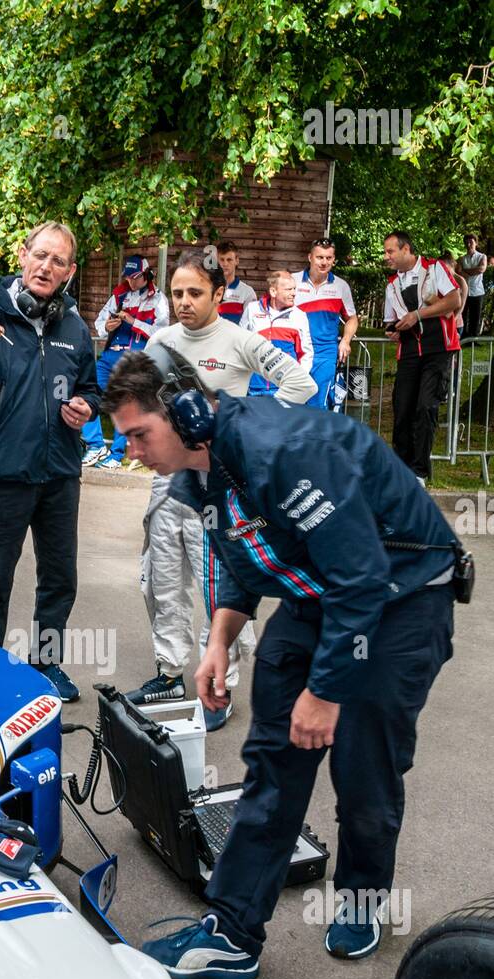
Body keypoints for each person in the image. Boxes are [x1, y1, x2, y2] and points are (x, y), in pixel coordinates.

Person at [103, 348, 459, 979]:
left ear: (185, 414)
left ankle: (362, 898)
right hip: (319, 594)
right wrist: (219, 641)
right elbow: (241, 562)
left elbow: (362, 578)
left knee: (363, 764)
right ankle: (233, 932)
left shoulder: (281, 452)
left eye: (138, 434)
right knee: (272, 759)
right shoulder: (198, 472)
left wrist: (325, 692)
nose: (132, 451)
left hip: (400, 596)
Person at [124, 252, 315, 724]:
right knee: (162, 579)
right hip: (169, 483)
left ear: (218, 294)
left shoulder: (240, 339)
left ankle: (220, 689)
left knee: (219, 587)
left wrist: (247, 430)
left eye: (194, 293)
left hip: (221, 488)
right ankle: (169, 672)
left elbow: (301, 383)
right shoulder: (160, 341)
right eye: (177, 293)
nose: (184, 302)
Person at [0, 221, 100, 703]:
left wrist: (86, 408)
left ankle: (46, 664)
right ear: (22, 255)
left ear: (69, 272)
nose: (46, 267)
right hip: (4, 472)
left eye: (58, 261)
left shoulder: (75, 327)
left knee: (59, 577)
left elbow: (90, 388)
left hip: (60, 473)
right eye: (40, 255)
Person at [383, 230, 461, 483]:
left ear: (406, 249)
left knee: (426, 407)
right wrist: (392, 331)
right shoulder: (392, 283)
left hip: (438, 348)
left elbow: (453, 300)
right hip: (408, 352)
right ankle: (400, 469)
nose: (387, 257)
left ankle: (419, 471)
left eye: (390, 251)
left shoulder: (434, 268)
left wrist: (417, 315)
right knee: (402, 409)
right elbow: (390, 322)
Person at [81, 255, 169, 468]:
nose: (131, 282)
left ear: (146, 275)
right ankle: (95, 445)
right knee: (86, 390)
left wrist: (133, 321)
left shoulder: (158, 299)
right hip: (110, 354)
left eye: (135, 277)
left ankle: (116, 454)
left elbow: (162, 332)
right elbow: (99, 321)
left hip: (135, 358)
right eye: (128, 277)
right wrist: (107, 327)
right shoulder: (119, 294)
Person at [293, 238, 358, 408]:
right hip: (295, 351)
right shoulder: (292, 281)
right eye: (319, 257)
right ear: (310, 257)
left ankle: (317, 435)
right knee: (293, 402)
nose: (324, 262)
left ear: (334, 260)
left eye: (328, 258)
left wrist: (346, 340)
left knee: (319, 403)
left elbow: (352, 318)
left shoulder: (341, 286)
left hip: (325, 353)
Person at [239, 269, 314, 393]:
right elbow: (239, 344)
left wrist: (297, 382)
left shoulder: (299, 316)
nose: (294, 293)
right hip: (255, 387)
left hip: (284, 388)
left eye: (294, 289)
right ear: (273, 291)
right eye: (288, 289)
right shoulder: (252, 309)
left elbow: (306, 353)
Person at [216, 241, 256, 325]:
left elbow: (250, 324)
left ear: (237, 261)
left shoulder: (247, 292)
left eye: (229, 260)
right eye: (222, 260)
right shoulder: (208, 288)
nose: (225, 264)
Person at [458, 234, 488, 340]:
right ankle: (464, 337)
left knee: (476, 316)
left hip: (477, 291)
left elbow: (481, 269)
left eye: (471, 241)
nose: (468, 244)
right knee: (464, 314)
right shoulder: (461, 258)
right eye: (466, 242)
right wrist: (472, 271)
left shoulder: (482, 256)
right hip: (465, 291)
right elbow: (459, 272)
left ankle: (474, 338)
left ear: (476, 243)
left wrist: (466, 271)